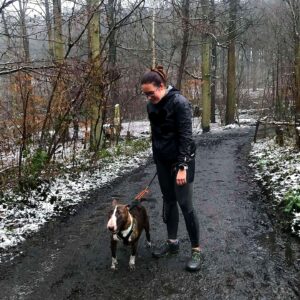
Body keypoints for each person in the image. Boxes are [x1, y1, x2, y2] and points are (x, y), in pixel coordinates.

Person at [141, 65, 203, 272]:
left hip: (181, 162)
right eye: (145, 94)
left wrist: (183, 166)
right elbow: (156, 136)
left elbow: (186, 137)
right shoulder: (151, 106)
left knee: (186, 205)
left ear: (161, 86)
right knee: (169, 202)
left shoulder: (180, 103)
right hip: (163, 162)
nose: (149, 97)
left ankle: (196, 250)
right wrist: (158, 160)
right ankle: (172, 243)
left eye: (151, 93)